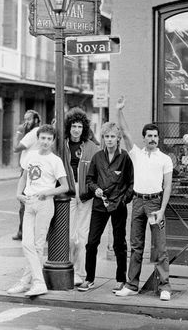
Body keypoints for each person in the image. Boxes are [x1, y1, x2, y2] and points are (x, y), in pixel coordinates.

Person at [115, 96, 173, 301]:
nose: (152, 139)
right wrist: (120, 110)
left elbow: (168, 186)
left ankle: (165, 286)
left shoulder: (165, 159)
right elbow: (125, 133)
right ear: (144, 138)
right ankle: (132, 285)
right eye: (149, 136)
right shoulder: (136, 154)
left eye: (155, 136)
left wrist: (162, 209)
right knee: (136, 246)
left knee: (160, 247)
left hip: (155, 203)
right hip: (138, 202)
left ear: (158, 138)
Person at [7, 124, 69, 297]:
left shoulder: (55, 161)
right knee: (27, 244)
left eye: (49, 139)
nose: (46, 142)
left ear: (53, 141)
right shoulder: (31, 155)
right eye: (43, 138)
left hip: (45, 204)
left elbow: (65, 186)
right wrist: (18, 194)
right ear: (38, 138)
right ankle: (34, 282)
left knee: (37, 246)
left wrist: (46, 192)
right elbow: (24, 177)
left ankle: (31, 283)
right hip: (29, 203)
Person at [78, 122, 134, 293]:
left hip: (118, 205)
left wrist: (124, 200)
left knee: (119, 243)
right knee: (92, 242)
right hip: (100, 205)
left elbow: (131, 183)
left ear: (118, 139)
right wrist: (95, 190)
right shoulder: (97, 157)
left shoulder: (124, 157)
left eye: (112, 137)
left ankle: (120, 279)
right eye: (106, 136)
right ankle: (89, 279)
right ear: (102, 138)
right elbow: (89, 179)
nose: (109, 140)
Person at [63, 107, 99, 286]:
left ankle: (80, 271)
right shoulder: (61, 145)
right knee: (69, 234)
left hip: (85, 192)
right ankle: (68, 268)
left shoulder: (91, 146)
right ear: (68, 127)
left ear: (84, 128)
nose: (76, 129)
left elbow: (101, 163)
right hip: (68, 190)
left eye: (79, 126)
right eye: (73, 126)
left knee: (82, 234)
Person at [12, 110, 41, 240]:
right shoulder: (37, 132)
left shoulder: (32, 134)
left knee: (24, 202)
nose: (25, 122)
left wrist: (18, 133)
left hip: (28, 171)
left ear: (35, 120)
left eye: (28, 119)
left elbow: (15, 148)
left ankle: (23, 232)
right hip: (35, 169)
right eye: (24, 119)